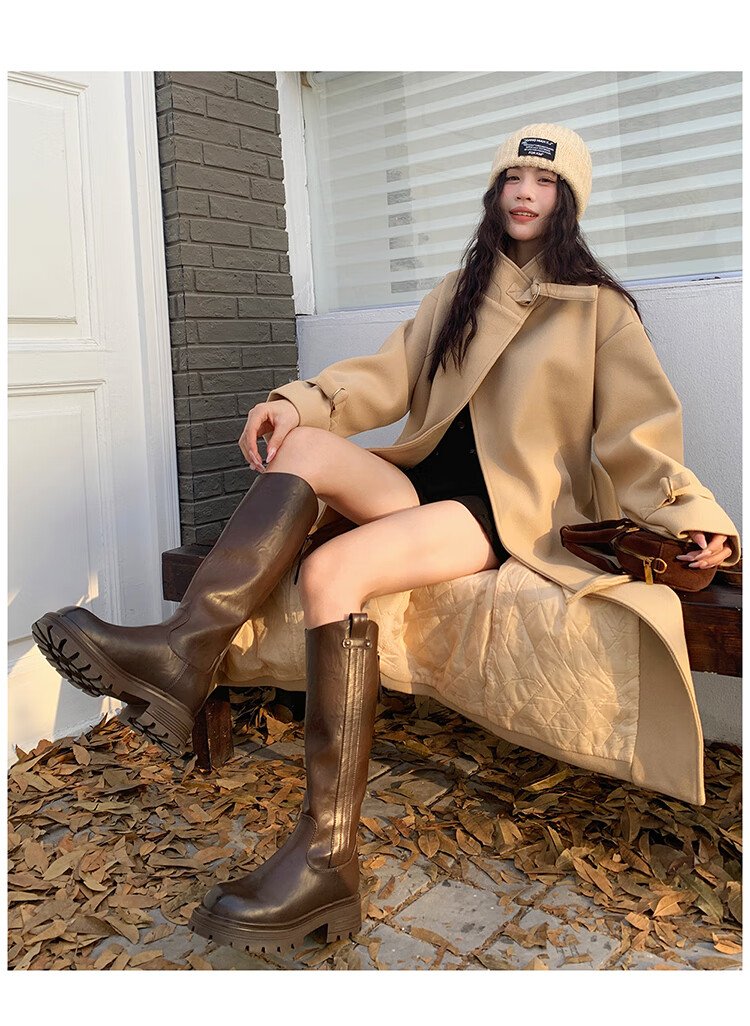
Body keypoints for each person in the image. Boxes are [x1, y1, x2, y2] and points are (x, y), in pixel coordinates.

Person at [31, 123, 738, 954]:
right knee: (300, 447)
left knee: (332, 571)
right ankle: (184, 653)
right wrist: (294, 401)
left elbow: (640, 438)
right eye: (512, 178)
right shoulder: (458, 292)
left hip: (507, 513)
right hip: (422, 485)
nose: (525, 192)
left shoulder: (597, 312)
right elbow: (383, 378)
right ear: (495, 191)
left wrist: (697, 520)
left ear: (568, 200)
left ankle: (324, 859)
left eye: (545, 182)